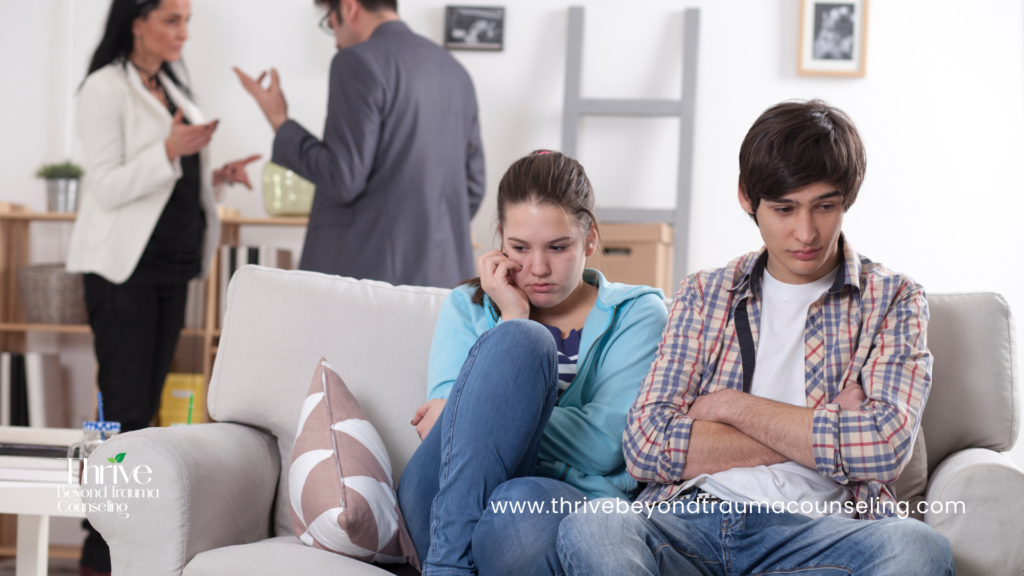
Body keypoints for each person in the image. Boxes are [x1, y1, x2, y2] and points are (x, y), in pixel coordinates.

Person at [555, 100, 955, 575]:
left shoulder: (893, 298)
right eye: (784, 209)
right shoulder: (705, 293)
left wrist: (729, 406)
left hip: (819, 535)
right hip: (690, 521)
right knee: (593, 524)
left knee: (918, 548)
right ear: (747, 196)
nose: (806, 232)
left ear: (847, 198)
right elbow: (645, 446)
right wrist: (823, 425)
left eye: (825, 206)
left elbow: (883, 448)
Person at [395, 151, 668, 575]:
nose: (538, 268)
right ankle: (450, 563)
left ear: (589, 238)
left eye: (558, 247)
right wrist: (513, 317)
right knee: (523, 339)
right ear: (501, 242)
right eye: (520, 248)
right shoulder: (466, 306)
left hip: (537, 512)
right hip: (437, 502)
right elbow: (442, 436)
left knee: (516, 503)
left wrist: (483, 416)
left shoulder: (638, 314)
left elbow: (607, 444)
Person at [67, 0, 259, 574]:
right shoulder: (105, 88)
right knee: (123, 410)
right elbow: (106, 186)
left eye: (187, 20)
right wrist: (170, 150)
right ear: (137, 22)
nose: (184, 32)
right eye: (172, 20)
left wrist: (214, 176)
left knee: (145, 411)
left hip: (172, 268)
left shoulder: (172, 84)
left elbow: (170, 182)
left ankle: (128, 545)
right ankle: (98, 549)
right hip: (123, 271)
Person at [235, 0, 485, 289]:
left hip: (373, 280)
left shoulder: (356, 61)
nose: (335, 42)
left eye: (330, 25)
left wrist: (280, 121)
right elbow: (474, 187)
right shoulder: (455, 70)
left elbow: (343, 178)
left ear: (349, 7)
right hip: (447, 277)